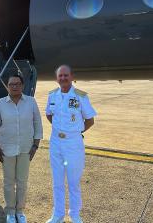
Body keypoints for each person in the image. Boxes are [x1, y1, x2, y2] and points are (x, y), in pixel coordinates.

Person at [45, 65, 97, 223]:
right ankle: (58, 215)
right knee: (57, 181)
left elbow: (90, 120)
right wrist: (60, 130)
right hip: (55, 142)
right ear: (57, 78)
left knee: (73, 182)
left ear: (72, 76)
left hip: (73, 143)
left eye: (65, 75)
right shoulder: (52, 95)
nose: (63, 78)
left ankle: (75, 214)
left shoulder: (81, 96)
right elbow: (49, 115)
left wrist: (74, 132)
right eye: (60, 76)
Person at [0, 74, 43, 223]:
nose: (14, 86)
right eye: (11, 84)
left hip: (26, 148)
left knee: (22, 182)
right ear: (7, 86)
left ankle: (20, 211)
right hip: (6, 148)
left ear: (22, 85)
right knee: (8, 182)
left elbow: (37, 124)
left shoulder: (31, 102)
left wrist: (35, 145)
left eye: (17, 84)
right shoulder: (1, 103)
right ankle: (10, 212)